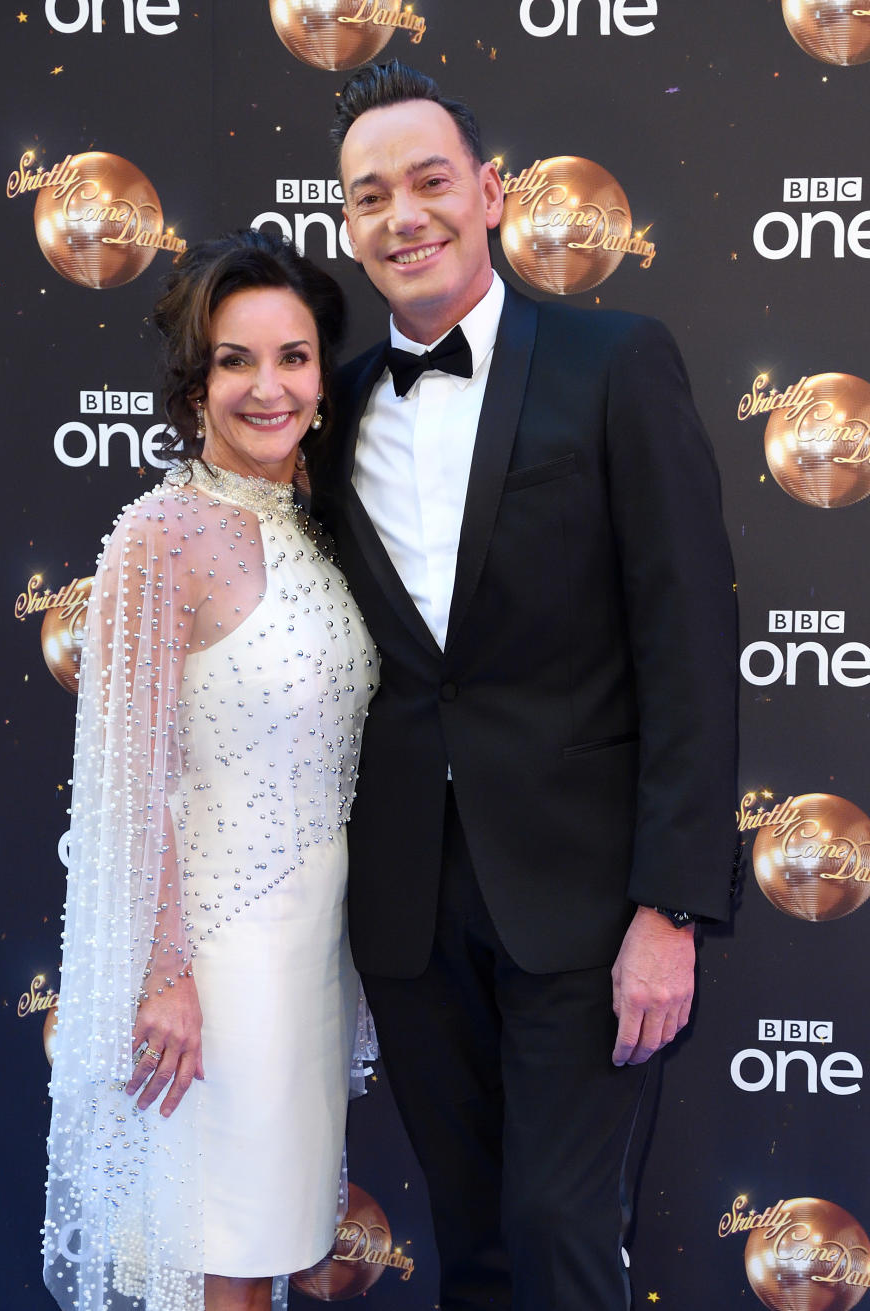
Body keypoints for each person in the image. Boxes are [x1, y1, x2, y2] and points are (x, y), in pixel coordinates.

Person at [310, 61, 738, 1310]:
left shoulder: (617, 363)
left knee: (559, 1231)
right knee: (476, 1243)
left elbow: (689, 646)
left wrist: (673, 906)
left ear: (490, 193)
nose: (405, 216)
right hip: (408, 905)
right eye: (371, 194)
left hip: (590, 902)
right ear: (346, 225)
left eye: (431, 181)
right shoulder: (323, 419)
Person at [43, 230, 378, 1311]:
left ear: (324, 377)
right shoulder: (161, 536)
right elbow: (128, 781)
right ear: (197, 383)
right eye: (236, 360)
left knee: (268, 1250)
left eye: (291, 356)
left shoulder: (328, 529)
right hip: (215, 961)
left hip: (310, 954)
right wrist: (164, 971)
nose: (266, 387)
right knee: (214, 1260)